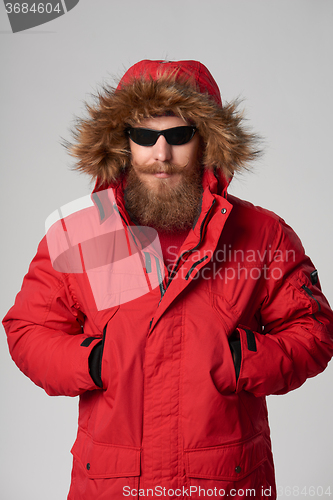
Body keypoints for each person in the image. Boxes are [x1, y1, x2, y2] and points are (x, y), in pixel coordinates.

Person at [3, 60, 333, 500]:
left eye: (179, 136)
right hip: (112, 483)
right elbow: (27, 329)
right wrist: (93, 362)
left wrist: (241, 361)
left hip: (225, 481)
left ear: (207, 142)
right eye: (144, 136)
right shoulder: (79, 233)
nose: (161, 154)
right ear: (122, 143)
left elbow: (314, 329)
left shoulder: (262, 234)